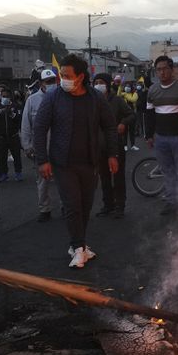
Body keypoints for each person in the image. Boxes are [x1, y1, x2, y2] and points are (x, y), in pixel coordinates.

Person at [32, 55, 118, 268]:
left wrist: (112, 154)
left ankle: (79, 244)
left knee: (86, 205)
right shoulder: (53, 97)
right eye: (61, 75)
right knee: (72, 205)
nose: (63, 80)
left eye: (67, 76)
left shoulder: (95, 98)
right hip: (63, 162)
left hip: (90, 161)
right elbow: (40, 128)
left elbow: (109, 126)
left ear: (80, 77)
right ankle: (78, 248)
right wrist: (42, 160)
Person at [145, 56, 178, 215]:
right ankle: (171, 202)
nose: (162, 72)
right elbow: (149, 114)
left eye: (164, 68)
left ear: (172, 69)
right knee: (167, 171)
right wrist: (149, 135)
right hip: (161, 138)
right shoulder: (153, 90)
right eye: (158, 70)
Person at [93, 73, 134, 218]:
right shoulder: (92, 101)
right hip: (98, 146)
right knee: (104, 177)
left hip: (115, 145)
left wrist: (123, 123)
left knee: (118, 177)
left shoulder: (117, 100)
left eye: (101, 82)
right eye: (96, 82)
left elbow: (131, 114)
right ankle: (108, 205)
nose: (98, 84)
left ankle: (119, 206)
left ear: (108, 84)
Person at [21, 68, 57, 222]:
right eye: (48, 82)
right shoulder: (32, 100)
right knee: (42, 181)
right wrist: (27, 146)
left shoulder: (62, 97)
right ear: (41, 83)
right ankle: (44, 209)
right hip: (41, 148)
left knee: (63, 181)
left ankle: (65, 207)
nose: (51, 84)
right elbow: (26, 125)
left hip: (59, 147)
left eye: (53, 81)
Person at [0, 85, 24, 182]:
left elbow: (20, 119)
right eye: (3, 96)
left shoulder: (16, 106)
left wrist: (11, 113)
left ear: (10, 97)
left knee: (16, 156)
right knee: (1, 157)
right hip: (1, 137)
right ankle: (3, 174)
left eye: (6, 96)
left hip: (13, 136)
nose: (4, 98)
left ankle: (18, 173)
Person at [117, 75, 139, 151]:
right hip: (124, 115)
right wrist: (120, 86)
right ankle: (125, 145)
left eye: (128, 86)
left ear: (131, 87)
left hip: (132, 114)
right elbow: (118, 95)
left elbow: (133, 100)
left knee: (132, 130)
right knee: (125, 131)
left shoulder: (134, 93)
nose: (127, 87)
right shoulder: (122, 94)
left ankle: (133, 145)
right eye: (126, 86)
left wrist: (125, 95)